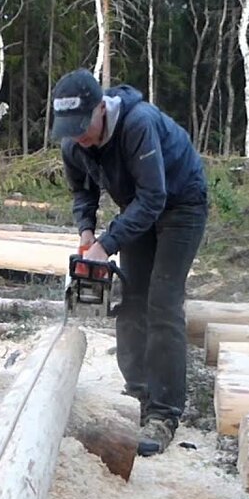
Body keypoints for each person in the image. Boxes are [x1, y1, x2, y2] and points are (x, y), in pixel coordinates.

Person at [50, 67, 209, 453]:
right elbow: (82, 192)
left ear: (101, 108)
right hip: (137, 207)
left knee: (163, 301)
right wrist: (87, 233)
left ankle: (164, 412)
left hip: (180, 204)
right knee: (133, 298)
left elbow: (154, 197)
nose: (80, 138)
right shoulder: (73, 142)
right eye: (71, 129)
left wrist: (110, 242)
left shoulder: (137, 124)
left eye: (84, 126)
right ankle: (137, 391)